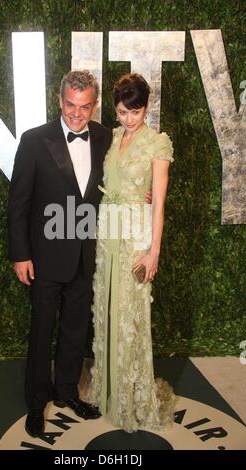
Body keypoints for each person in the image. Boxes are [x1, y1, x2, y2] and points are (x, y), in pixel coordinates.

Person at [8, 70, 113, 437]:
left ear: (94, 105)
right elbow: (18, 203)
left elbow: (111, 188)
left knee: (75, 329)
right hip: (45, 255)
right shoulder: (35, 140)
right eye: (70, 104)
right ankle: (37, 404)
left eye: (85, 107)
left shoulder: (104, 137)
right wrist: (21, 255)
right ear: (60, 101)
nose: (76, 114)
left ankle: (67, 393)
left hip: (85, 252)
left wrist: (140, 195)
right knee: (41, 331)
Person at [87, 73, 176, 433]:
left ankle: (131, 397)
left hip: (136, 236)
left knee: (131, 318)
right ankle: (107, 391)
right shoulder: (113, 137)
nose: (128, 119)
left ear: (147, 107)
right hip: (109, 233)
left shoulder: (157, 143)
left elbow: (159, 204)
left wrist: (153, 251)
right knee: (107, 311)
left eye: (135, 112)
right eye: (123, 112)